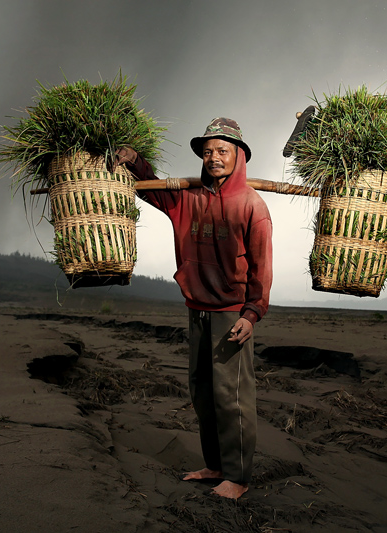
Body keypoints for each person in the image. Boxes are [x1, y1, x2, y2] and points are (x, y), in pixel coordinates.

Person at [116, 118, 273, 500]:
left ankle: (237, 477)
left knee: (231, 397)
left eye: (222, 151)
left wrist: (251, 314)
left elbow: (262, 269)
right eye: (208, 152)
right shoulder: (188, 198)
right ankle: (216, 465)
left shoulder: (252, 206)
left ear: (239, 155)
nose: (214, 158)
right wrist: (134, 161)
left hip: (231, 313)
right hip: (197, 310)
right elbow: (152, 192)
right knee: (202, 392)